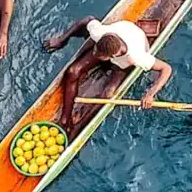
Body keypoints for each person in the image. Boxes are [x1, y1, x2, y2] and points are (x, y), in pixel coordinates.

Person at [41, 16, 174, 132]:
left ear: (113, 55)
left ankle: (78, 126)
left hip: (123, 63)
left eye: (99, 55)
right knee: (73, 71)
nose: (94, 54)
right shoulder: (100, 33)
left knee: (108, 95)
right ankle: (65, 120)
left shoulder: (136, 56)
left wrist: (150, 93)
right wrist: (61, 40)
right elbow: (87, 19)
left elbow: (166, 69)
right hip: (122, 33)